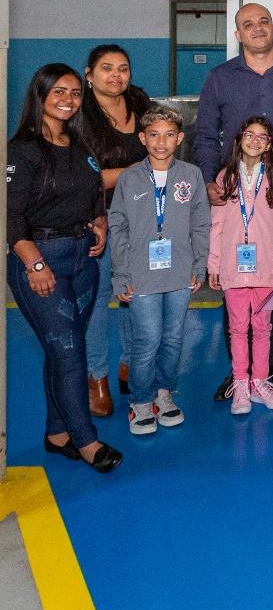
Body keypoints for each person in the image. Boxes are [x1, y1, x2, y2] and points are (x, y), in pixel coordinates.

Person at [196, 2, 273, 399]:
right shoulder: (219, 78)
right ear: (238, 34)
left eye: (263, 21)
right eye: (248, 24)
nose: (257, 28)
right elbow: (205, 134)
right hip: (235, 195)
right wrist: (212, 181)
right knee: (234, 284)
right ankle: (239, 372)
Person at [7, 64, 121, 472]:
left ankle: (57, 434)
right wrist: (33, 263)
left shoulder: (78, 145)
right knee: (70, 352)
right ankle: (85, 440)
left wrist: (101, 221)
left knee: (63, 350)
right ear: (40, 95)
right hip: (41, 260)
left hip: (82, 258)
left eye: (74, 93)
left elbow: (92, 192)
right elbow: (11, 216)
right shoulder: (21, 150)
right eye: (59, 92)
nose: (68, 100)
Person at [108, 105, 210, 435]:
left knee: (172, 338)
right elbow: (118, 224)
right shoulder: (129, 177)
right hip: (141, 274)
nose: (161, 142)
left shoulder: (191, 175)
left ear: (180, 138)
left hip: (179, 272)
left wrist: (199, 264)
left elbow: (201, 223)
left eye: (169, 135)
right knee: (147, 340)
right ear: (142, 138)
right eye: (154, 135)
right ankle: (140, 401)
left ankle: (164, 393)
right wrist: (121, 273)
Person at [75, 44, 150, 415]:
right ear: (89, 74)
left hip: (141, 218)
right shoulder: (78, 115)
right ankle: (97, 378)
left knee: (134, 297)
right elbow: (81, 177)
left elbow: (162, 151)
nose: (116, 75)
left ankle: (129, 366)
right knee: (99, 301)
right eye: (106, 68)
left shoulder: (139, 102)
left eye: (123, 67)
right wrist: (139, 172)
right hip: (96, 218)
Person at [207, 116, 273, 415]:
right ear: (239, 138)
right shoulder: (225, 178)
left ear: (270, 146)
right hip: (234, 266)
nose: (255, 140)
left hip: (267, 266)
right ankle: (241, 383)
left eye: (263, 137)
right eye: (250, 134)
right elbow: (217, 225)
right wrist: (215, 264)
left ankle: (260, 380)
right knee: (237, 328)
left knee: (262, 327)